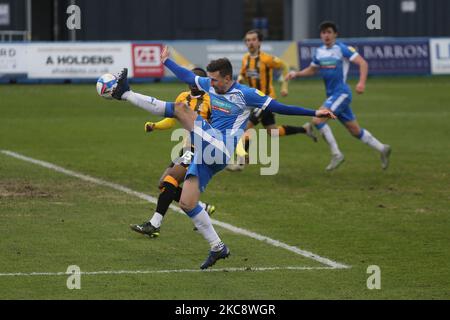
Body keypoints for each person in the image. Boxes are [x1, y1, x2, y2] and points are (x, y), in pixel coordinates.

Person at [111, 46, 335, 269]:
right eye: (210, 79)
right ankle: (218, 247)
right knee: (187, 203)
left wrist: (315, 113)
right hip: (205, 150)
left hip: (222, 146)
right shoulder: (210, 84)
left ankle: (125, 93)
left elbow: (281, 107)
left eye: (215, 80)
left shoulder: (246, 94)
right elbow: (188, 76)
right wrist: (167, 62)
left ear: (228, 78)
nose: (211, 84)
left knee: (180, 109)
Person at [286, 21, 391, 171]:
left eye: (329, 32)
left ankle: (336, 154)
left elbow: (363, 63)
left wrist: (361, 83)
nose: (326, 35)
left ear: (335, 34)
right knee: (355, 131)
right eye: (323, 32)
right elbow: (312, 70)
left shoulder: (342, 49)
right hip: (333, 96)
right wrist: (296, 73)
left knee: (317, 119)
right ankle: (382, 149)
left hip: (341, 93)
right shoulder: (319, 51)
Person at [130, 67, 216, 238]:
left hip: (201, 149)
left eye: (196, 80)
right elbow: (171, 120)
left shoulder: (212, 101)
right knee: (163, 184)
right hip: (187, 148)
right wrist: (155, 125)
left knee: (170, 180)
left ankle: (154, 224)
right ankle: (201, 208)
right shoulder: (182, 98)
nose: (192, 84)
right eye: (190, 80)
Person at [227, 29, 317, 171]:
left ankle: (241, 162)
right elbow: (243, 74)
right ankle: (304, 129)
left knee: (244, 127)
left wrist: (284, 86)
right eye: (248, 40)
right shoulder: (246, 59)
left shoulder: (267, 59)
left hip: (265, 101)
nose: (250, 43)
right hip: (252, 101)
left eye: (253, 40)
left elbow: (285, 66)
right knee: (272, 132)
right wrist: (239, 80)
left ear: (260, 42)